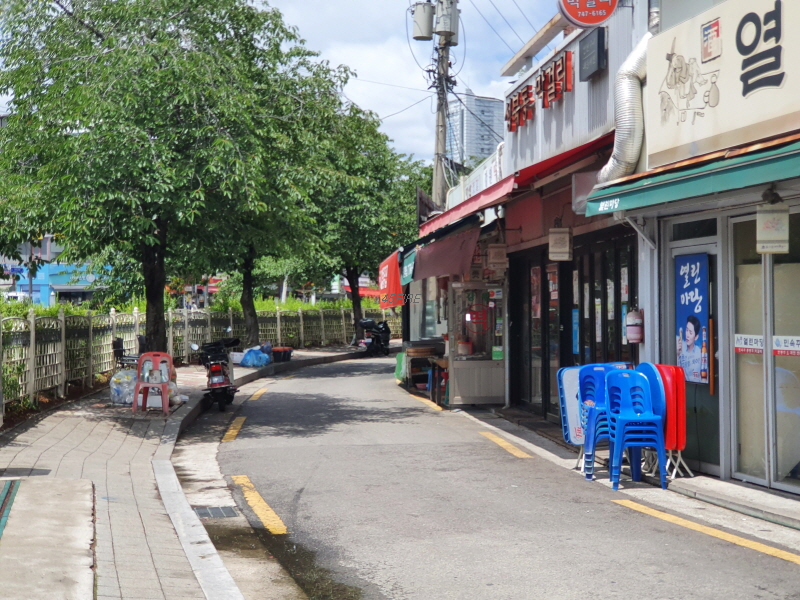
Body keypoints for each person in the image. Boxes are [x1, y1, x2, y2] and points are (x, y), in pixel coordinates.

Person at [677, 315, 703, 383]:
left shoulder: (699, 353)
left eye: (690, 332)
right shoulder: (680, 348)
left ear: (696, 337)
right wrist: (677, 354)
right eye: (687, 330)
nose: (687, 335)